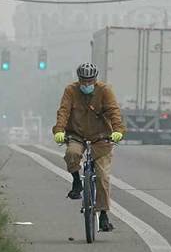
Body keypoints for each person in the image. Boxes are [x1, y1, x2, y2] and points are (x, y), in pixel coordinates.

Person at [52, 62, 125, 232]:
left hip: (101, 137)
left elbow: (114, 112)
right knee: (72, 153)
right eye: (83, 81)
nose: (86, 84)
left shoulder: (105, 91)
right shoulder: (71, 90)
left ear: (95, 80)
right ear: (79, 80)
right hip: (77, 134)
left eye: (89, 81)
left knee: (102, 176)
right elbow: (63, 111)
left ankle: (104, 214)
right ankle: (77, 182)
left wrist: (118, 131)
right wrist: (59, 130)